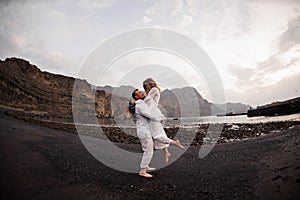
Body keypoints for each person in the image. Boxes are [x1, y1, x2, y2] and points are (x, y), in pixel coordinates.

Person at [142, 78, 185, 163]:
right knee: (159, 133)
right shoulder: (154, 90)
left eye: (146, 85)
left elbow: (147, 100)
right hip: (154, 112)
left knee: (156, 135)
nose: (145, 87)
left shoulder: (154, 89)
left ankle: (174, 142)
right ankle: (166, 152)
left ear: (149, 83)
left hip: (153, 113)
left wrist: (138, 103)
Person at [129, 89, 163, 178]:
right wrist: (160, 117)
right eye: (140, 93)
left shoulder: (140, 104)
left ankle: (146, 166)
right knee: (148, 150)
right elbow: (149, 114)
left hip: (143, 130)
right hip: (144, 131)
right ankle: (143, 171)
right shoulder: (139, 104)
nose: (142, 93)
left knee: (146, 148)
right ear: (136, 97)